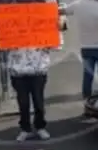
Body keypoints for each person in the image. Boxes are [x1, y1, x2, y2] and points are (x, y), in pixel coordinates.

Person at [6, 11, 64, 142]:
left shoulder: (42, 29)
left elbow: (57, 46)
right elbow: (1, 45)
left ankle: (40, 127)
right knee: (23, 103)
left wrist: (57, 30)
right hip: (18, 72)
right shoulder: (12, 28)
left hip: (38, 71)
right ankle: (25, 129)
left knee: (39, 102)